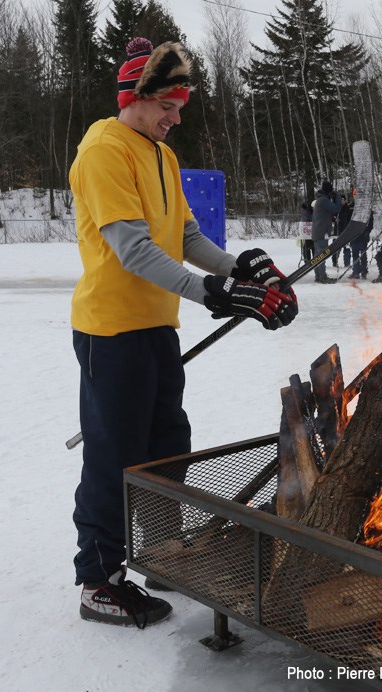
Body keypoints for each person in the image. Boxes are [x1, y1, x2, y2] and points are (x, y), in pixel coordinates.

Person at [68, 37, 298, 628]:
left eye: (181, 105)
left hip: (156, 328)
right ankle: (99, 578)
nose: (176, 116)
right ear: (136, 98)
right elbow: (132, 249)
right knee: (114, 456)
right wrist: (210, 293)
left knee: (168, 446)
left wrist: (235, 268)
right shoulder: (104, 149)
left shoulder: (163, 156)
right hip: (110, 331)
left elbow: (185, 239)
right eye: (168, 105)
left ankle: (159, 554)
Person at [312, 180, 340, 283]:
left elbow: (326, 214)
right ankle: (322, 277)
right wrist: (337, 196)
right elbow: (336, 208)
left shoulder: (320, 199)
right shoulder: (323, 200)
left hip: (317, 231)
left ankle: (318, 276)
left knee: (317, 256)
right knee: (322, 255)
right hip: (322, 232)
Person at [350, 193, 372, 280]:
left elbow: (371, 221)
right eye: (355, 196)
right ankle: (356, 271)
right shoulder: (351, 207)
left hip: (363, 235)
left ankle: (364, 271)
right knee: (355, 253)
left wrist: (367, 231)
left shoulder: (366, 208)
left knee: (363, 254)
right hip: (354, 235)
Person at [331, 193, 353, 268]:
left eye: (343, 200)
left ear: (345, 200)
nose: (341, 201)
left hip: (346, 230)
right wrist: (334, 218)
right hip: (337, 231)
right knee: (335, 248)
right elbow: (331, 217)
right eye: (340, 200)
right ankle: (334, 262)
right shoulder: (336, 208)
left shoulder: (348, 208)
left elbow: (350, 219)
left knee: (347, 248)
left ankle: (347, 263)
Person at [298, 200, 314, 265]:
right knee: (312, 247)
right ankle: (310, 261)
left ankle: (307, 261)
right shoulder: (309, 211)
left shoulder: (303, 211)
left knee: (306, 247)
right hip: (310, 231)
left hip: (306, 231)